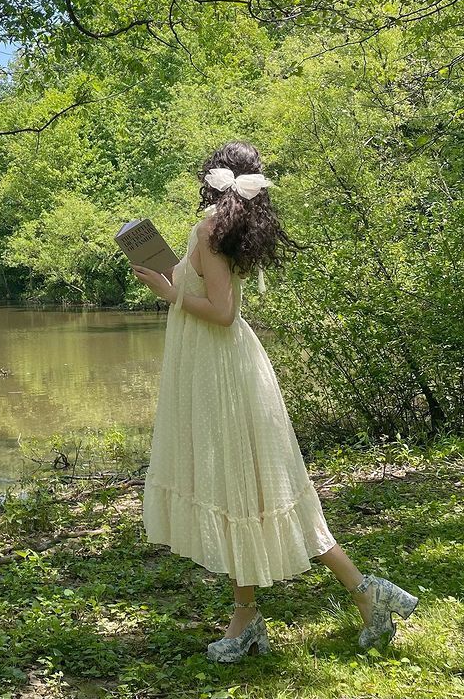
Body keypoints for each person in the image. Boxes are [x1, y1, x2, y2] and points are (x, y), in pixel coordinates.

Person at [131, 141, 419, 664]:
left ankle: (350, 596)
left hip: (220, 371)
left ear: (213, 177)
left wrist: (169, 293)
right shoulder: (224, 227)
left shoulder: (211, 227)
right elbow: (215, 294)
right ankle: (301, 607)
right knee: (247, 490)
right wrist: (172, 276)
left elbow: (220, 312)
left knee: (248, 489)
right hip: (225, 367)